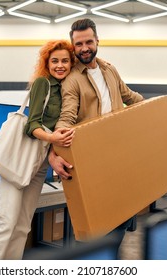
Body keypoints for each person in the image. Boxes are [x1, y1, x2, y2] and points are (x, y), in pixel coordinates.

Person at [48, 18, 144, 258]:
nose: (84, 48)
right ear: (73, 46)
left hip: (119, 156)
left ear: (97, 41)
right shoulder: (72, 78)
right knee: (92, 231)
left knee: (122, 221)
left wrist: (156, 114)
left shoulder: (109, 69)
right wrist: (54, 152)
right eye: (78, 44)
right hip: (92, 161)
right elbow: (66, 116)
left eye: (88, 41)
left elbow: (130, 96)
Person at [0, 40, 75, 260]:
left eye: (65, 61)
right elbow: (31, 125)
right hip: (20, 159)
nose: (60, 65)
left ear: (72, 63)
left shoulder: (69, 90)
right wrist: (52, 137)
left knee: (23, 225)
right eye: (54, 61)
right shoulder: (42, 83)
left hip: (40, 163)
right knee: (6, 223)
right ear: (47, 63)